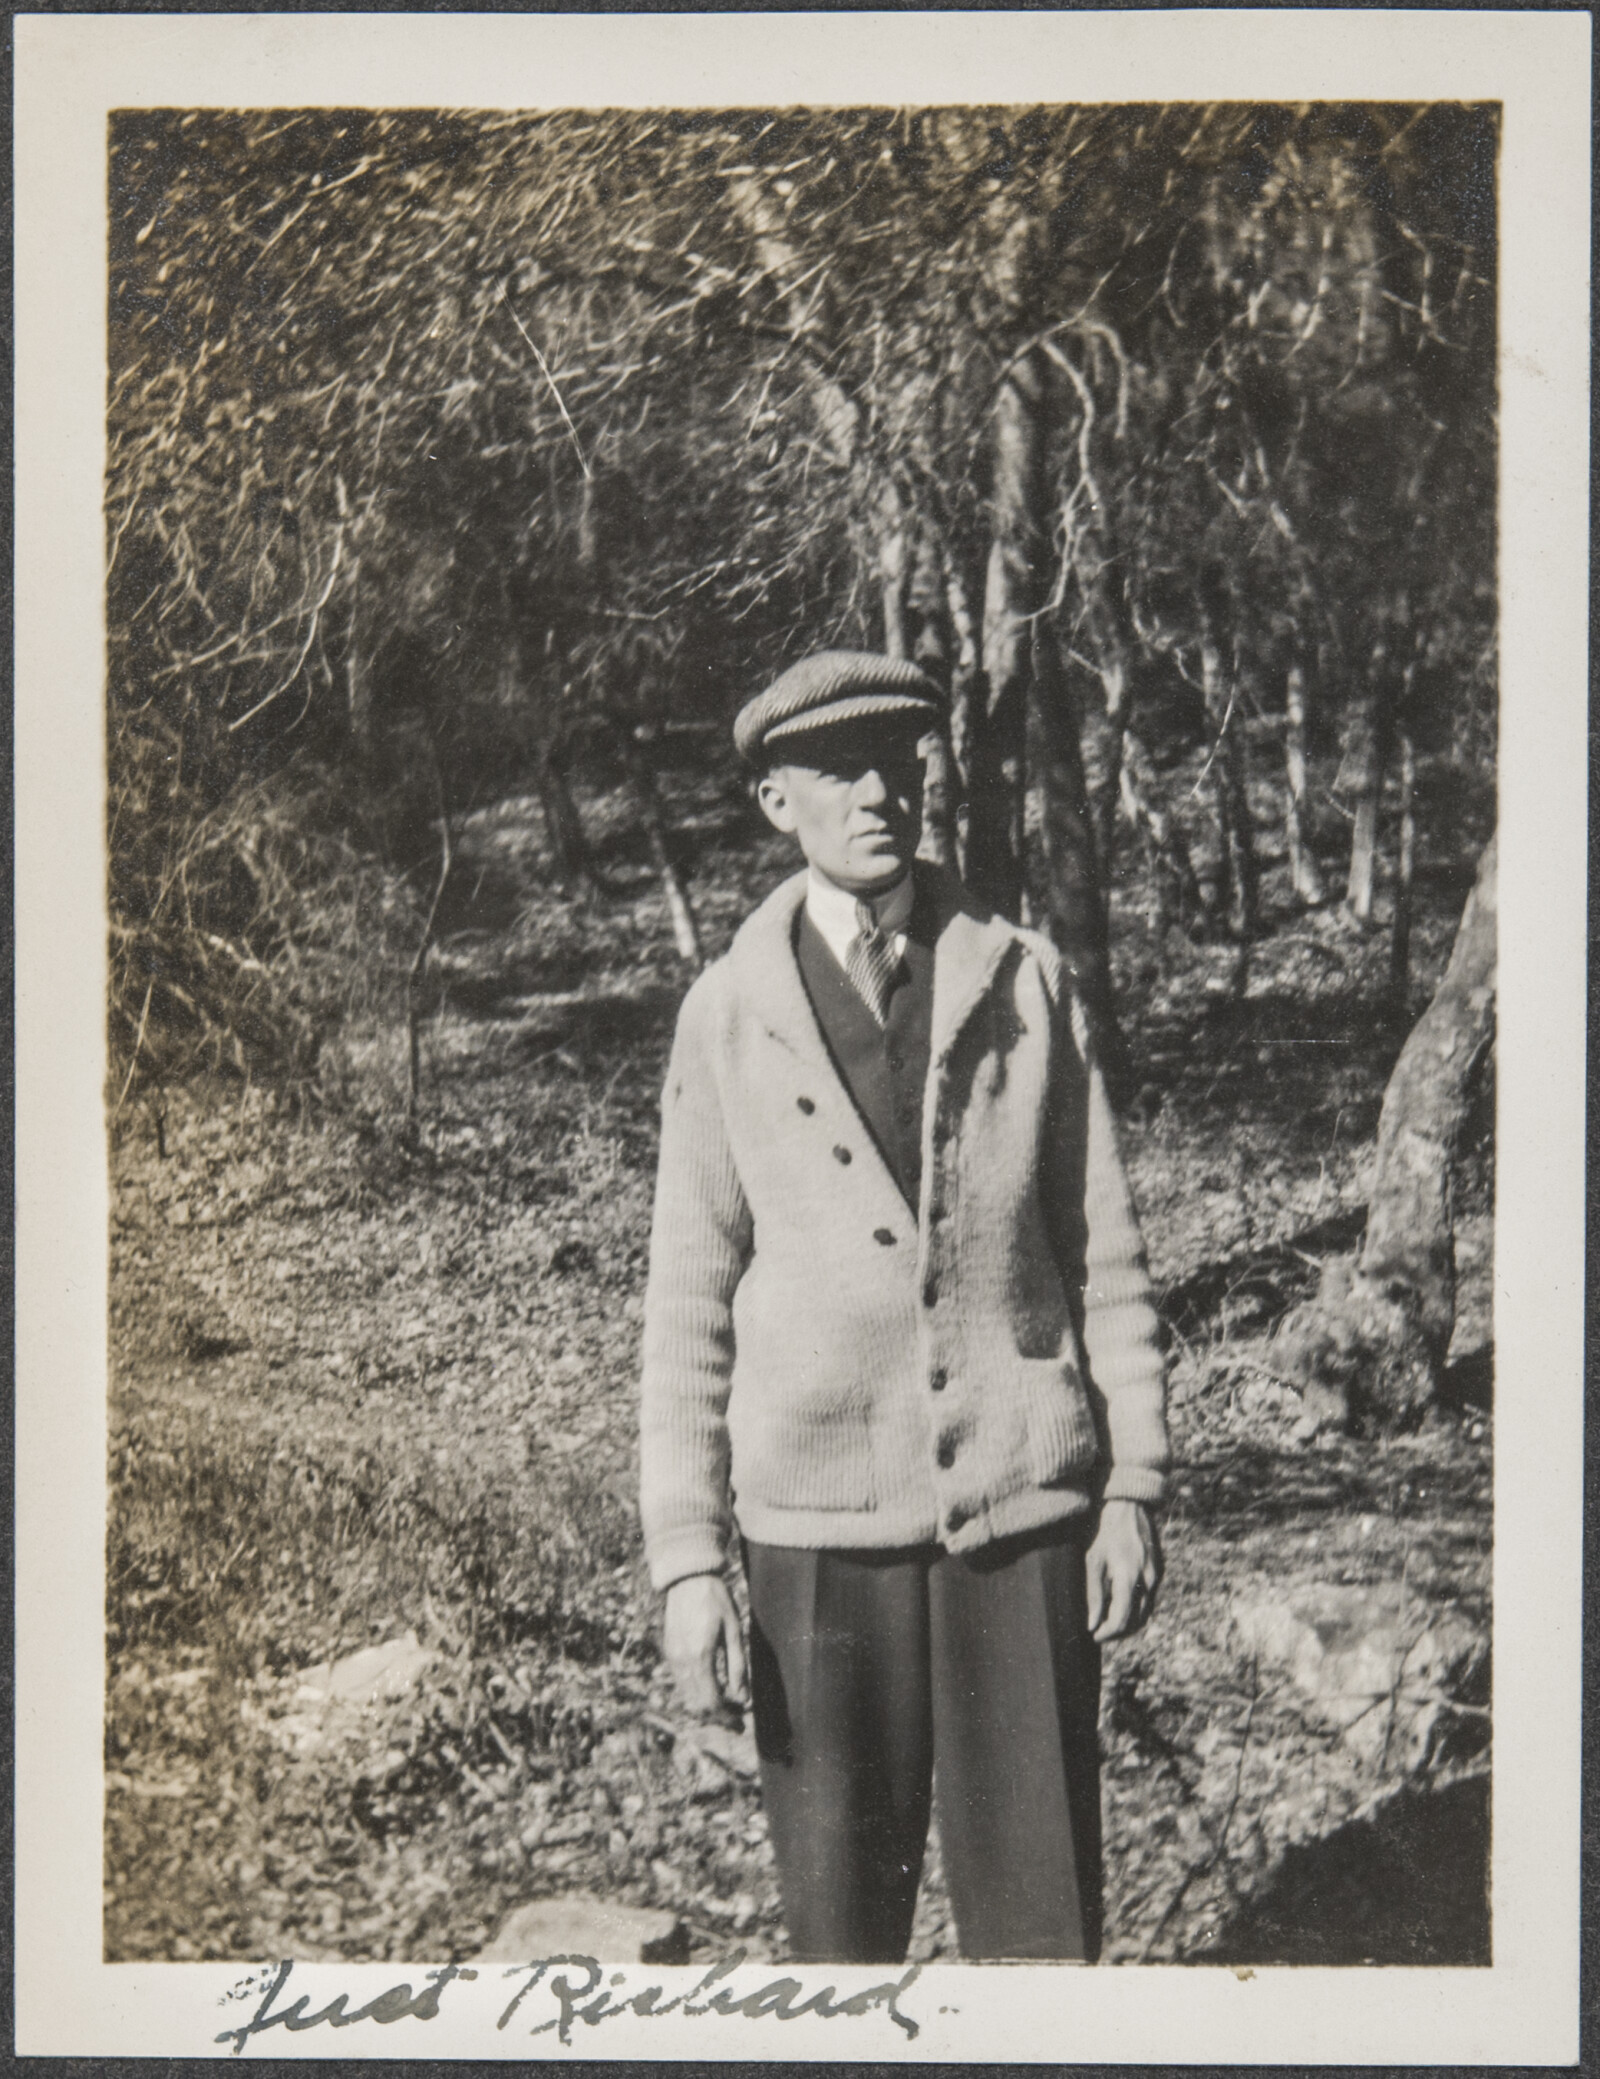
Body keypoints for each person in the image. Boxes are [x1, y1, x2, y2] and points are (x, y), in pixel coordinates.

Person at [639, 650, 1168, 1964]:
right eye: (840, 768)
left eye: (899, 760)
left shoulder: (1025, 981)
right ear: (776, 800)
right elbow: (688, 1307)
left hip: (1021, 1521)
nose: (880, 792)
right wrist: (691, 1559)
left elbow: (1103, 1253)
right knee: (839, 1940)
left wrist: (1135, 1488)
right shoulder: (725, 1017)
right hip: (816, 1542)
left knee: (1041, 1931)